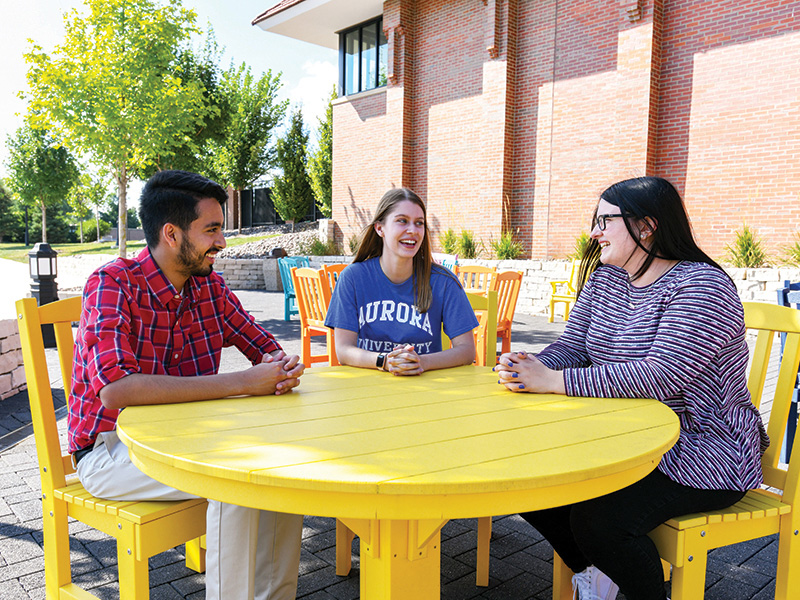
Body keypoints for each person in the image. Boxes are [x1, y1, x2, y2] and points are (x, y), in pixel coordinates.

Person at [494, 176, 769, 600]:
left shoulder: (701, 285)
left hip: (704, 449)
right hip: (620, 438)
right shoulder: (607, 280)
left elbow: (664, 374)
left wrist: (553, 382)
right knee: (526, 479)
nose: (593, 232)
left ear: (646, 226)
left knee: (598, 521)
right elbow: (574, 345)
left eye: (604, 220)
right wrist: (532, 365)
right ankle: (600, 574)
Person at [68, 170, 305, 600]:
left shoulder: (208, 286)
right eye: (212, 229)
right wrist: (243, 383)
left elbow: (264, 347)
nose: (222, 242)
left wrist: (280, 366)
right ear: (172, 234)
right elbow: (116, 390)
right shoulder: (111, 284)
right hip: (110, 452)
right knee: (236, 479)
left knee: (279, 469)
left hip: (191, 440)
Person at [325, 187, 478, 374]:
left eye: (419, 223)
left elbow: (467, 350)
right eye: (402, 221)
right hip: (367, 387)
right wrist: (384, 361)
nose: (412, 230)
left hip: (426, 387)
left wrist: (422, 362)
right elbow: (343, 350)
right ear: (380, 228)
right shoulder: (353, 278)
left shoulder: (444, 282)